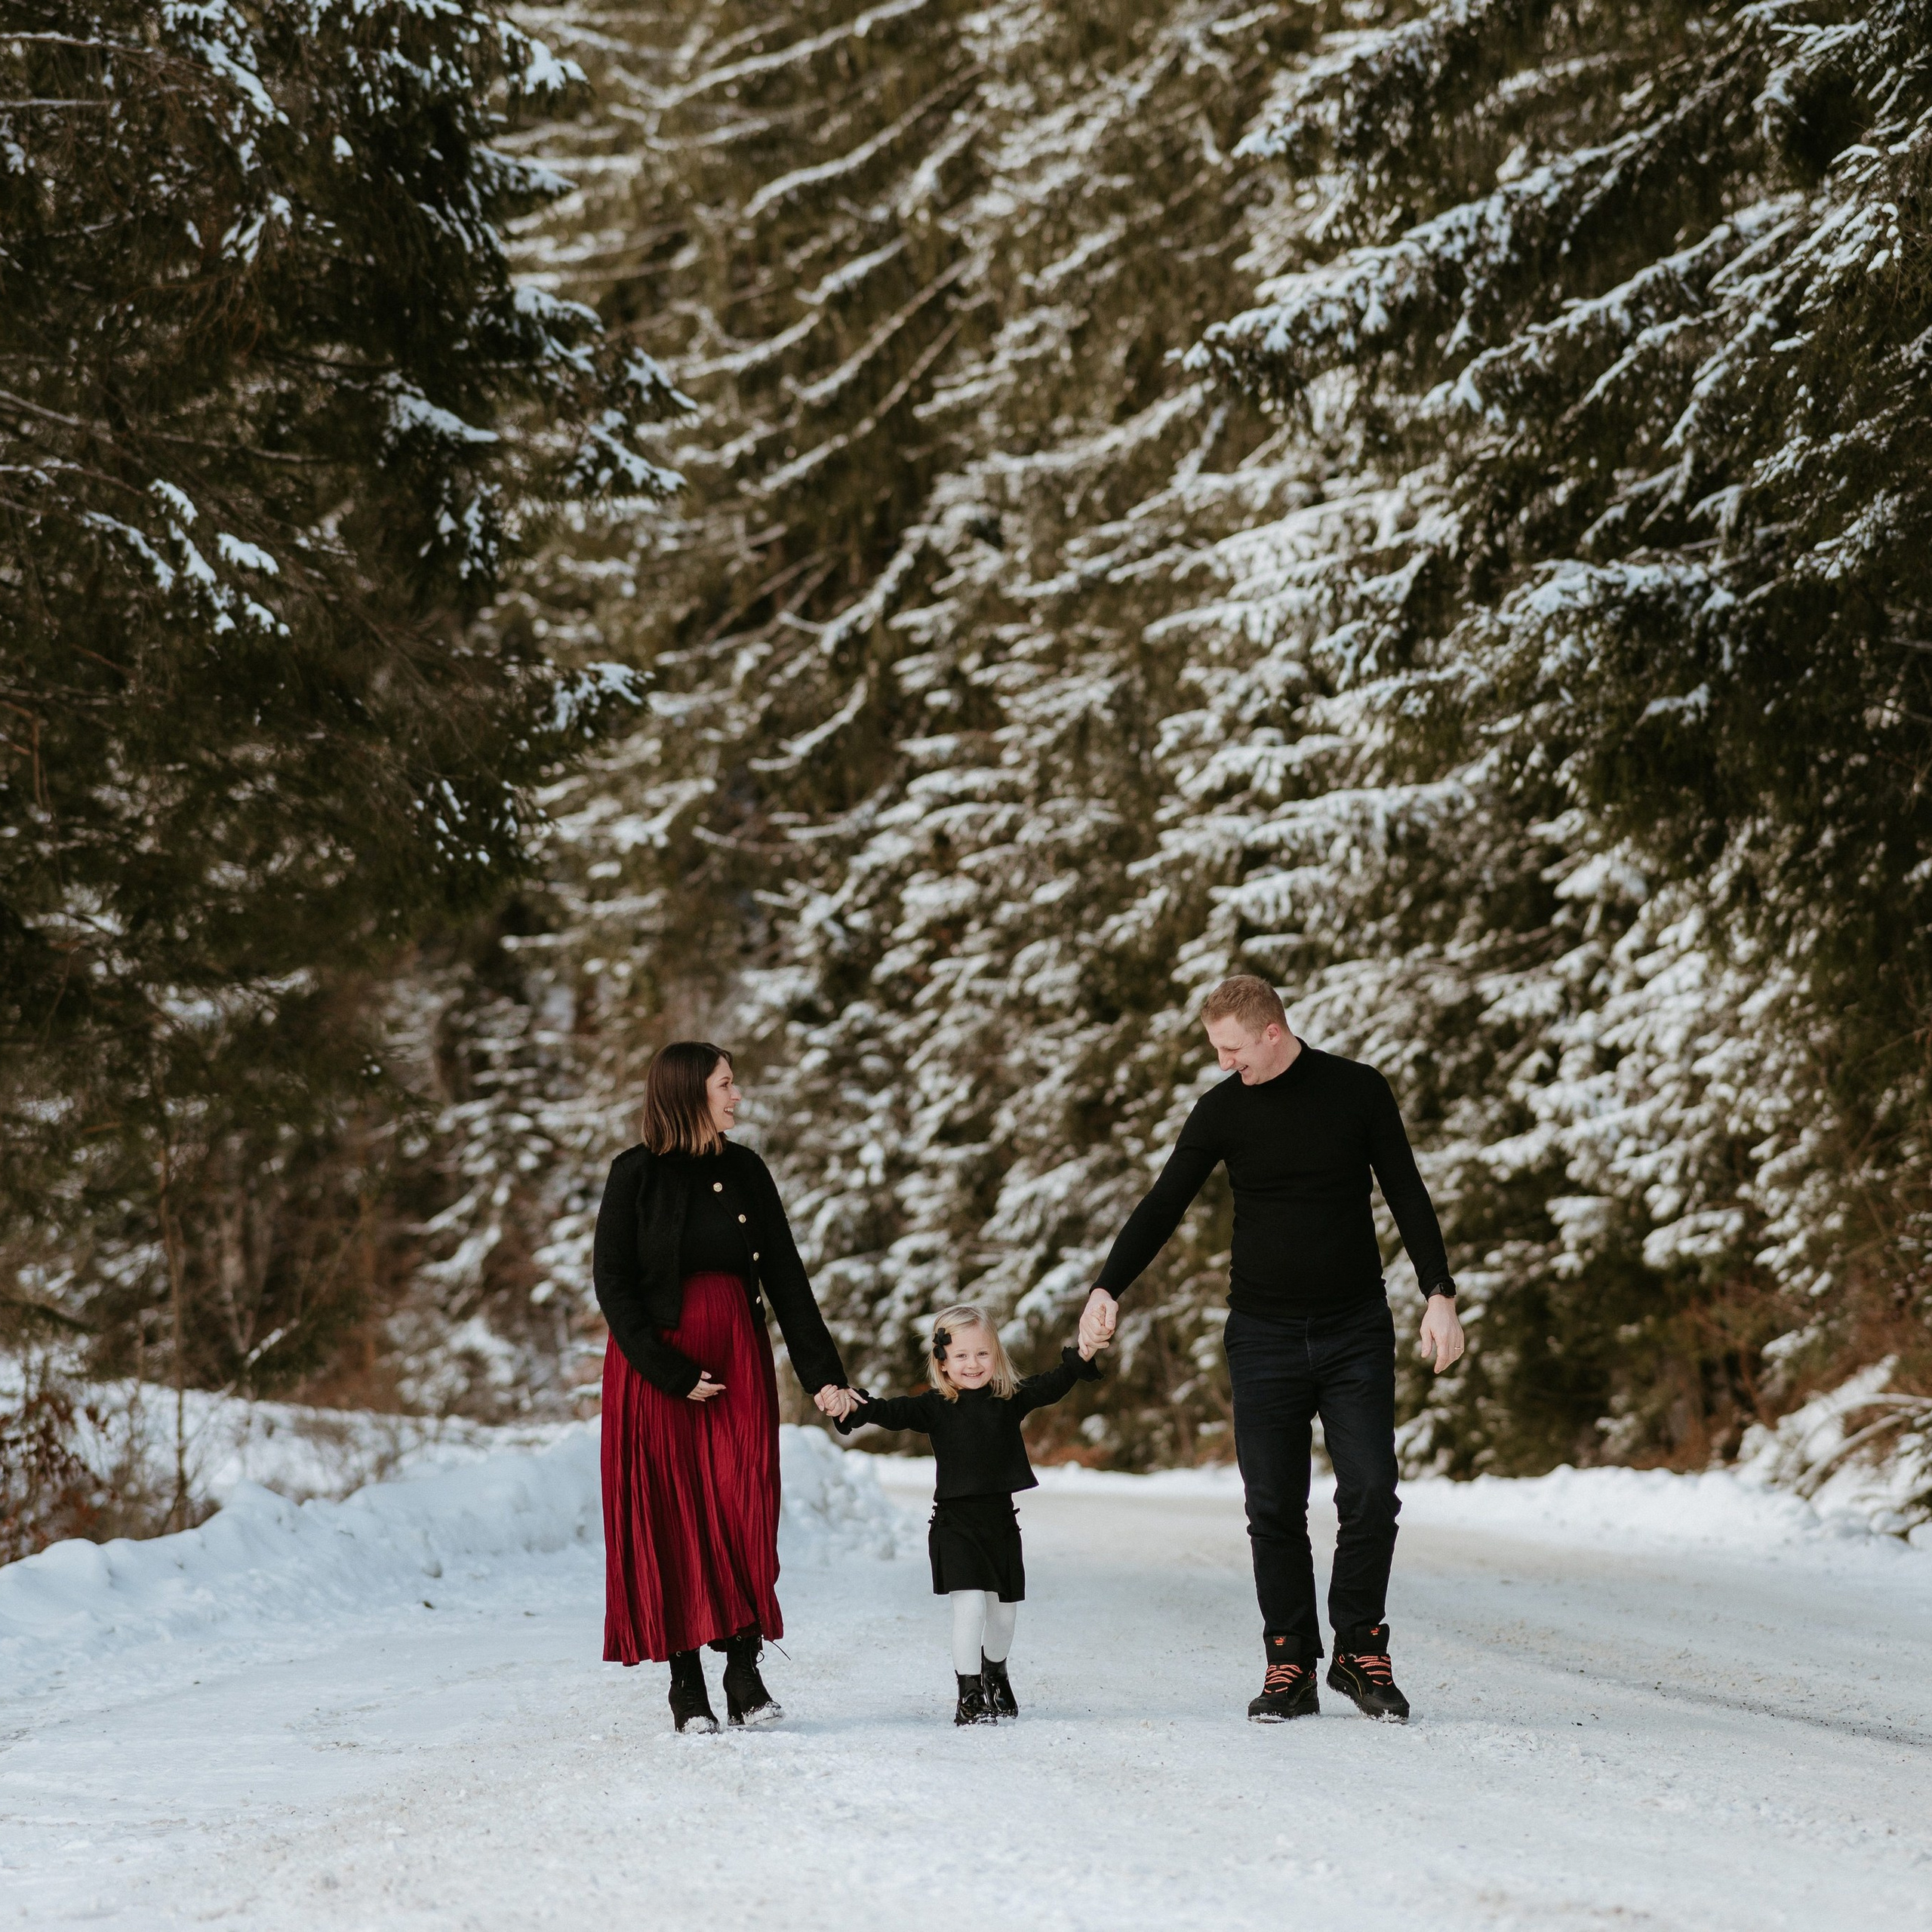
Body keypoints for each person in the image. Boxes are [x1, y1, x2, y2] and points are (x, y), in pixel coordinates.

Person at [1078, 975, 1466, 1724]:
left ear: (1273, 1033)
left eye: (1232, 1048)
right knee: (1273, 1506)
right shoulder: (1221, 1110)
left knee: (1370, 1492)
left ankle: (1359, 1649)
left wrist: (1438, 1292)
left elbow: (1406, 1190)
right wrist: (1107, 1286)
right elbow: (1164, 1201)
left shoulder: (1357, 1090)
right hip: (1261, 1333)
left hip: (1356, 1327)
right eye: (1215, 1050)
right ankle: (1290, 1660)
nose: (1224, 1063)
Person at [592, 1041, 859, 1734]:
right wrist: (671, 1374)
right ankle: (686, 1686)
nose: (737, 1097)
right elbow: (614, 1287)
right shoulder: (634, 1175)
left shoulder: (746, 1171)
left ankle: (744, 1671)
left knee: (743, 1502)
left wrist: (825, 1377)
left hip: (738, 1361)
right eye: (726, 1085)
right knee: (671, 1514)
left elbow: (787, 1280)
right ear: (687, 1093)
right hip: (657, 1376)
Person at [837, 1304, 1106, 1724]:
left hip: (1000, 1523)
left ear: (996, 1355)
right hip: (954, 1525)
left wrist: (1082, 1355)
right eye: (961, 1355)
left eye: (982, 1353)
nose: (973, 1364)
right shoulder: (934, 1406)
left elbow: (1053, 1384)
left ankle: (994, 1671)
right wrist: (856, 1405)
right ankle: (969, 1693)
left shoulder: (1008, 1398)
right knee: (970, 1608)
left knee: (1003, 1612)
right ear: (942, 1362)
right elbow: (890, 1412)